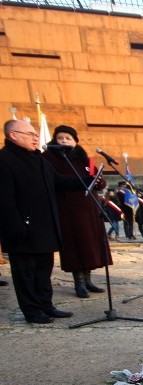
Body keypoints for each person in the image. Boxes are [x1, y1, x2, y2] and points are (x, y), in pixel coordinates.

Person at [0, 119, 88, 323]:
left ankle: (46, 306)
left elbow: (58, 181)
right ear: (13, 135)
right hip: (22, 229)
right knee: (26, 274)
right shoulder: (4, 160)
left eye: (35, 134)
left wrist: (87, 180)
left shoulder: (39, 160)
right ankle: (32, 311)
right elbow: (4, 199)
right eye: (30, 134)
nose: (35, 137)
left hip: (44, 227)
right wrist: (16, 227)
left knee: (43, 271)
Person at [41, 125, 112, 299]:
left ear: (75, 141)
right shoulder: (49, 158)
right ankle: (79, 282)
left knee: (90, 245)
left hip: (89, 208)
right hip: (68, 209)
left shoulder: (82, 158)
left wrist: (98, 182)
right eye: (60, 138)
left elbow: (97, 179)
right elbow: (56, 181)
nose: (64, 141)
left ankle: (88, 280)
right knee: (76, 244)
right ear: (54, 140)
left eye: (68, 138)